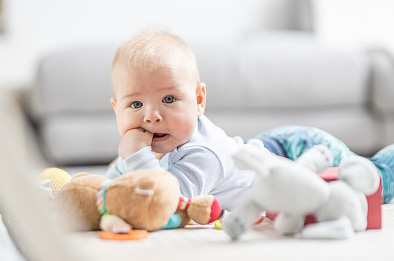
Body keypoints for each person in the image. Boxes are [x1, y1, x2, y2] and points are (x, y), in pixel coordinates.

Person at [106, 29, 394, 210]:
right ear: (116, 108)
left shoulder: (203, 155)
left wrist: (136, 157)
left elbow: (167, 200)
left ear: (199, 101)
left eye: (169, 99)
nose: (151, 115)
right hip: (269, 147)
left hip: (299, 155)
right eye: (135, 104)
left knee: (370, 183)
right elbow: (119, 179)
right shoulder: (149, 146)